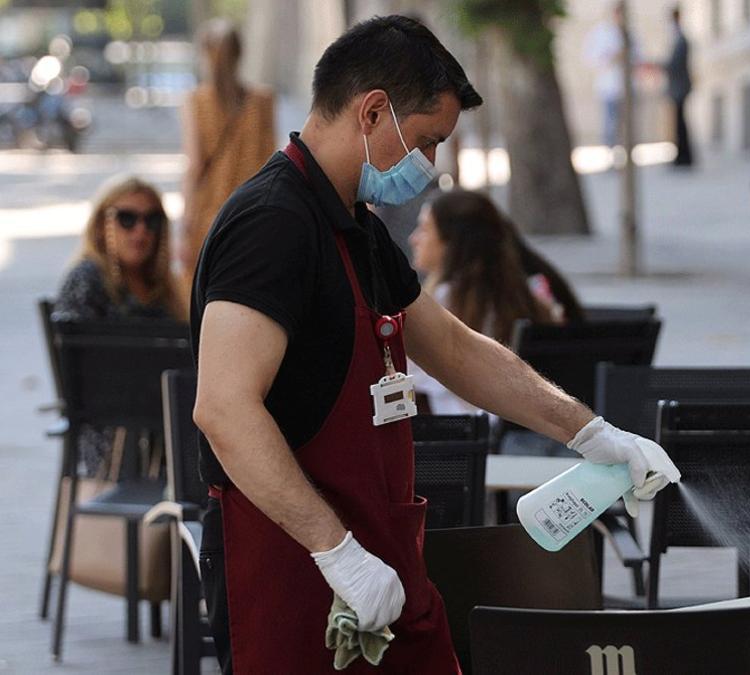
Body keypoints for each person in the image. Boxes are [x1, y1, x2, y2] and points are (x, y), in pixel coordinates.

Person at [190, 16, 679, 674]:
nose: (432, 166)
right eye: (427, 141)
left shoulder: (357, 227)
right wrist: (335, 551)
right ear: (372, 112)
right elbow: (223, 408)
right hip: (290, 568)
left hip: (382, 556)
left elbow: (453, 347)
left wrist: (592, 433)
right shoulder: (271, 224)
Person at [54, 175, 182, 475]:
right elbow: (79, 380)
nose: (140, 230)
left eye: (152, 220)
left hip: (163, 423)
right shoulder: (87, 280)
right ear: (102, 224)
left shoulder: (163, 288)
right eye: (127, 219)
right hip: (116, 435)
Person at [407, 189, 564, 414]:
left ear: (450, 243)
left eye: (424, 229)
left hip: (459, 436)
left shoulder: (440, 304)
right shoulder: (528, 299)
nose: (413, 238)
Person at [178, 18, 276, 288]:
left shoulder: (196, 101)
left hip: (208, 215)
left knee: (202, 293)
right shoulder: (263, 100)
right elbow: (271, 162)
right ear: (240, 54)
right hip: (252, 215)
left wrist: (186, 222)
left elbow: (195, 165)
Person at [587, 2, 635, 147]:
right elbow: (591, 57)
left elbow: (638, 55)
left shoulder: (629, 33)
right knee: (610, 123)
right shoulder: (601, 32)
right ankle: (610, 150)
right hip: (609, 86)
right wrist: (612, 57)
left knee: (627, 123)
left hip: (627, 87)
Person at [662, 5, 693, 167]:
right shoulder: (676, 37)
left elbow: (674, 64)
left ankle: (684, 157)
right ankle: (681, 156)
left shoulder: (681, 39)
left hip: (680, 87)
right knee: (678, 123)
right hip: (677, 87)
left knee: (680, 123)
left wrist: (657, 66)